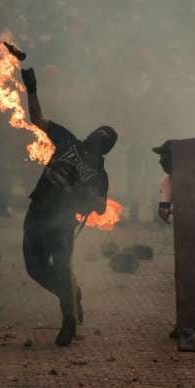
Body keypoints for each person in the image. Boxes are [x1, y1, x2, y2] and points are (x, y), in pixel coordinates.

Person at [21, 67, 118, 346]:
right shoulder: (67, 140)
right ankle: (71, 294)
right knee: (35, 269)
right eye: (98, 131)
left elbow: (100, 208)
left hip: (62, 222)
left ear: (106, 148)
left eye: (104, 136)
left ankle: (68, 321)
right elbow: (37, 119)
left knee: (62, 268)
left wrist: (86, 196)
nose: (97, 135)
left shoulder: (100, 175)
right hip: (38, 211)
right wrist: (32, 89)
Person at [152, 141, 174, 223]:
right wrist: (165, 210)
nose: (160, 161)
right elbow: (163, 209)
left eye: (164, 155)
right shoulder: (168, 181)